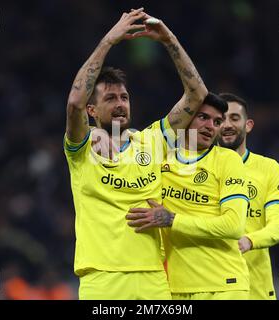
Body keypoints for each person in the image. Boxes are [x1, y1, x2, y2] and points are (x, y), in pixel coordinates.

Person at [64, 8, 208, 299]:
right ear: (93, 111)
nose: (120, 104)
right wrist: (108, 42)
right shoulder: (82, 148)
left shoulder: (153, 141)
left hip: (153, 276)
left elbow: (197, 95)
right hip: (102, 280)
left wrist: (169, 40)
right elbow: (75, 102)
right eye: (111, 98)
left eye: (124, 97)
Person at [126, 92, 251, 300]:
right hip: (176, 289)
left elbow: (234, 225)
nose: (211, 126)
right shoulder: (160, 159)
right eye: (203, 117)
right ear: (186, 118)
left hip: (224, 286)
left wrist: (172, 220)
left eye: (217, 121)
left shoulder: (228, 160)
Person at [216, 93, 279, 300]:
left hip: (255, 289)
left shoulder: (268, 168)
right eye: (220, 120)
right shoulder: (200, 170)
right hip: (214, 286)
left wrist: (250, 240)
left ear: (248, 125)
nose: (227, 125)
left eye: (234, 118)